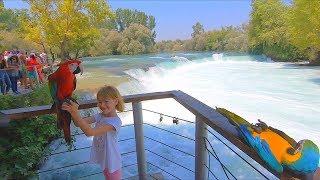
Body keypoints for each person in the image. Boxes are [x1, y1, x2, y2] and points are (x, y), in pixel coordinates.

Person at [62, 85, 124, 180]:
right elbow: (79, 123)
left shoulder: (115, 122)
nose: (102, 105)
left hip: (112, 160)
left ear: (116, 101)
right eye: (99, 102)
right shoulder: (101, 116)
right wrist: (72, 111)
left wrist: (75, 113)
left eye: (106, 101)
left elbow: (90, 132)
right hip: (104, 158)